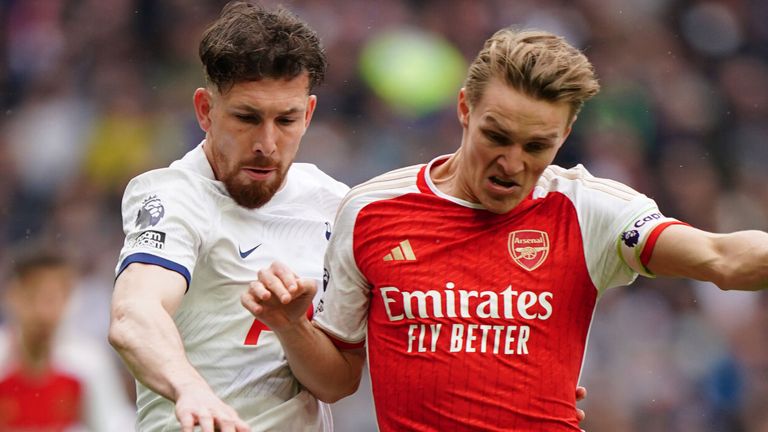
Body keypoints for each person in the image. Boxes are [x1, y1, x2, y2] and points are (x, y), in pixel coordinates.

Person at [241, 27, 768, 431]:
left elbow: (722, 258)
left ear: (566, 134)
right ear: (465, 109)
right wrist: (291, 325)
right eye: (498, 136)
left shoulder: (589, 210)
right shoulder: (371, 210)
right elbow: (335, 381)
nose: (512, 164)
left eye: (537, 146)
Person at [108, 2, 346, 431]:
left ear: (308, 114)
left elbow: (336, 384)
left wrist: (291, 328)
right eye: (247, 117)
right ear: (205, 110)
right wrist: (189, 388)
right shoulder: (172, 195)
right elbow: (135, 314)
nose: (267, 144)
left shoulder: (335, 205)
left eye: (286, 120)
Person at [0, 246, 135, 431]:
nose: (44, 312)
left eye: (53, 298)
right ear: (13, 296)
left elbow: (113, 425)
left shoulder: (89, 363)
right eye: (33, 296)